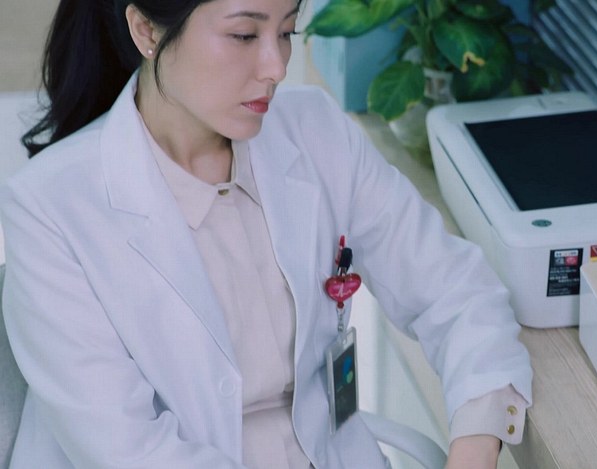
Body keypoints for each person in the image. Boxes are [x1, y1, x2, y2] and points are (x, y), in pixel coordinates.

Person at [1, 0, 533, 467]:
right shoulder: (48, 208)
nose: (276, 67)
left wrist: (474, 446)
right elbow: (128, 452)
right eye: (243, 35)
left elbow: (455, 292)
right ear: (147, 31)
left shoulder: (315, 129)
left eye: (286, 31)